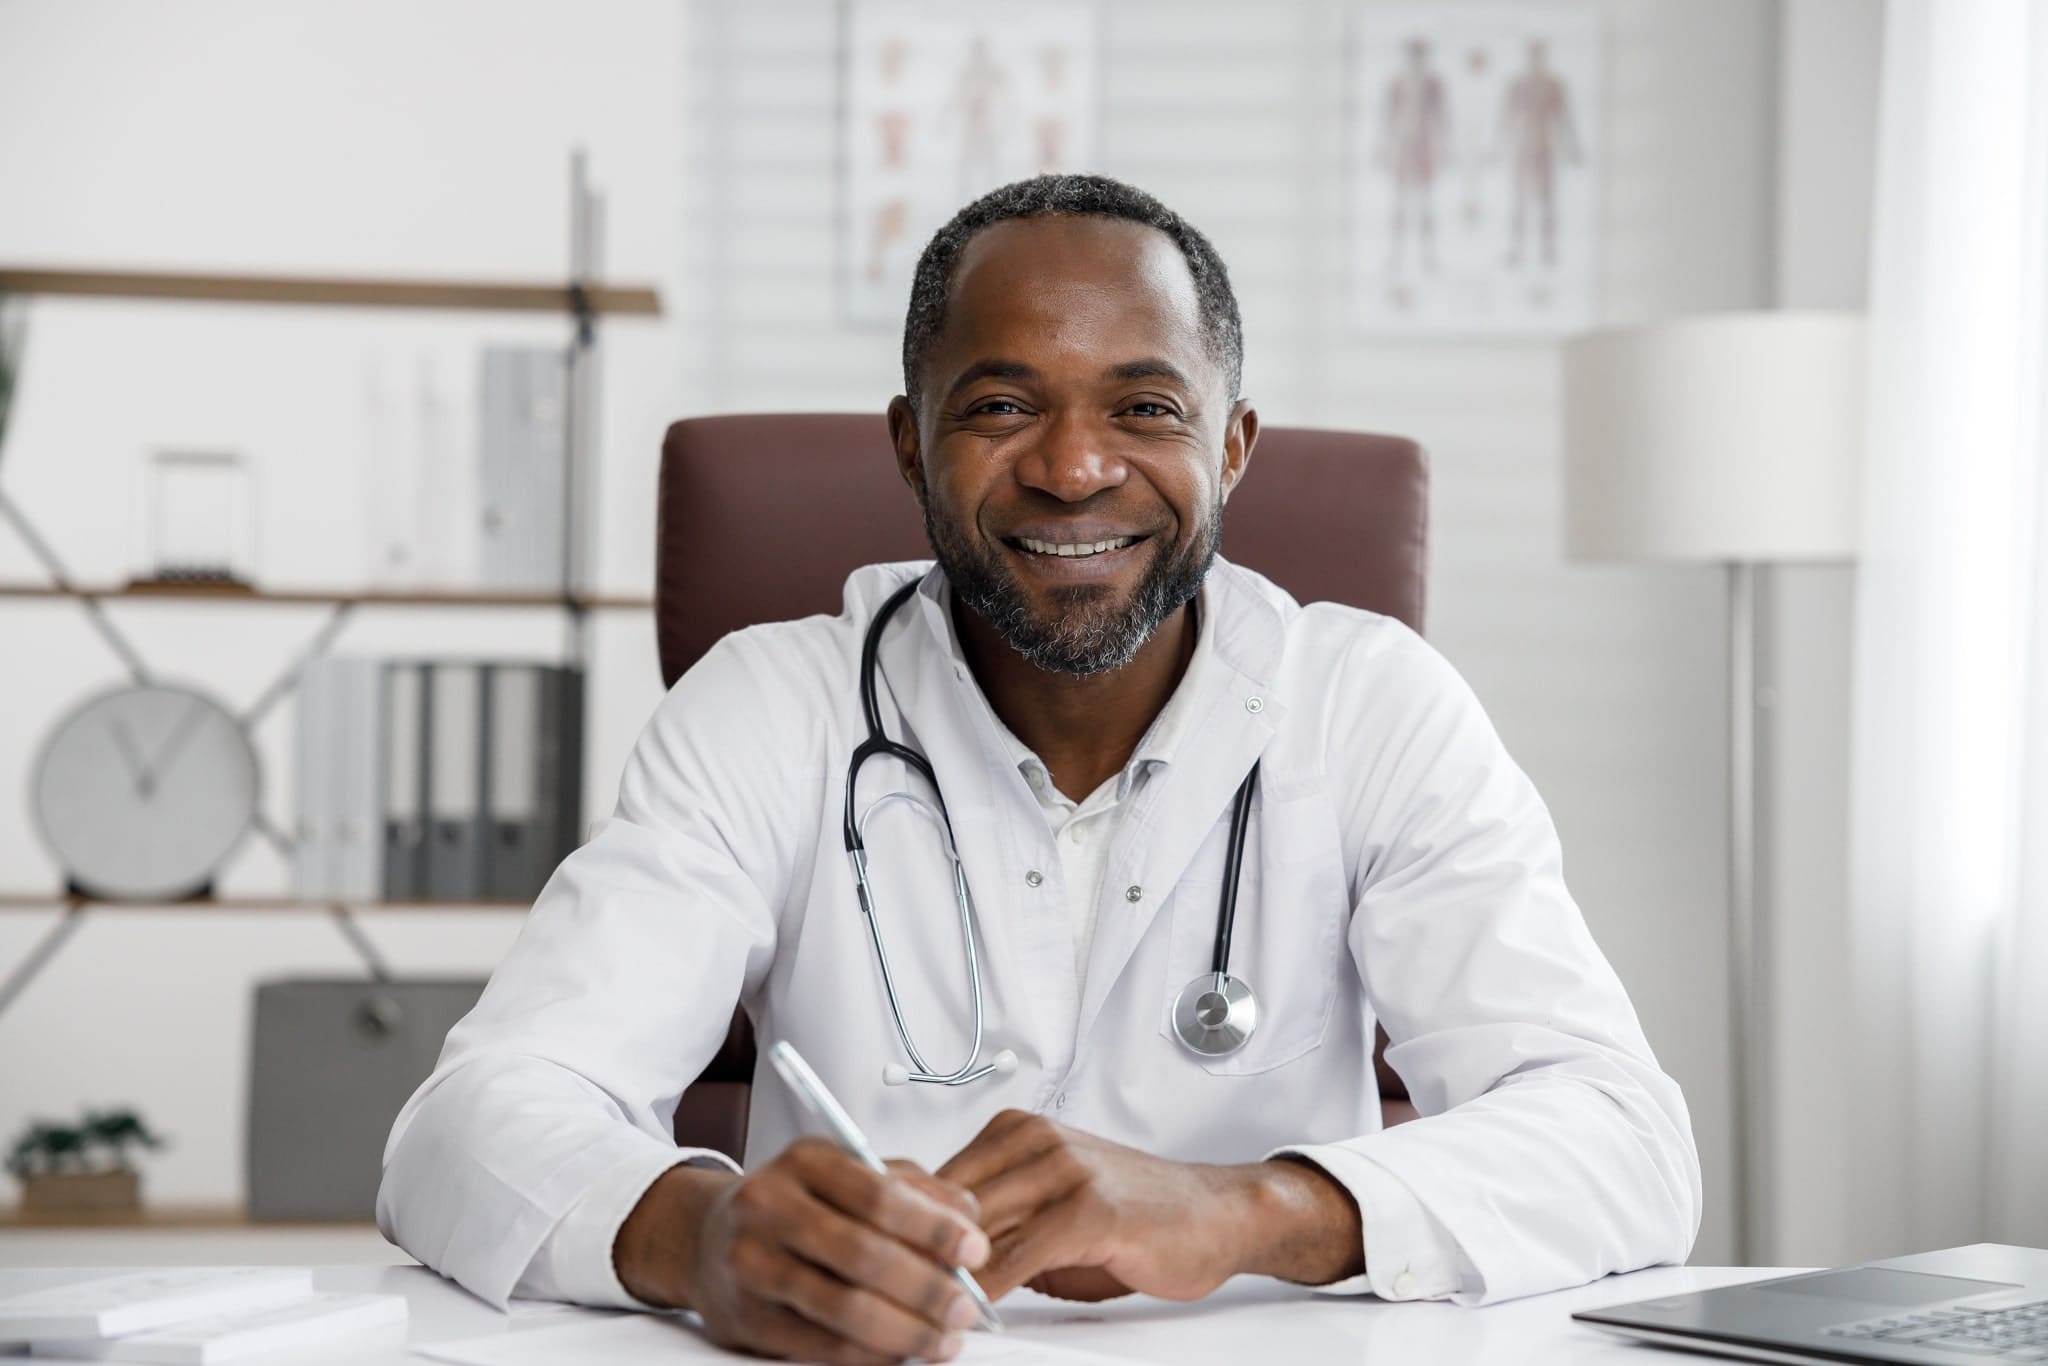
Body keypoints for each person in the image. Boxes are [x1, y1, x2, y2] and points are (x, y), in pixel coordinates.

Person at [379, 173, 1700, 1365]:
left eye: (1144, 406)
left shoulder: (1371, 708)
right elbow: (464, 1129)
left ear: (1232, 446)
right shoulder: (768, 707)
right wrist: (703, 1233)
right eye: (1003, 405)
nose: (1073, 467)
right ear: (909, 445)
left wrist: (1242, 1209)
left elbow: (1625, 1144)